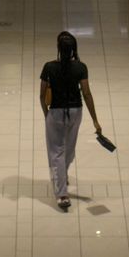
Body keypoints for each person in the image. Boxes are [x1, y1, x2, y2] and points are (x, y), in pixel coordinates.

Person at [40, 30, 102, 211]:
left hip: (56, 112)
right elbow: (87, 93)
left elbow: (42, 95)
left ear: (59, 48)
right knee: (69, 147)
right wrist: (95, 120)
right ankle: (63, 174)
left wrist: (47, 115)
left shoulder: (49, 67)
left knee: (56, 152)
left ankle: (62, 195)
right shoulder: (81, 67)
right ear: (74, 48)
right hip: (76, 112)